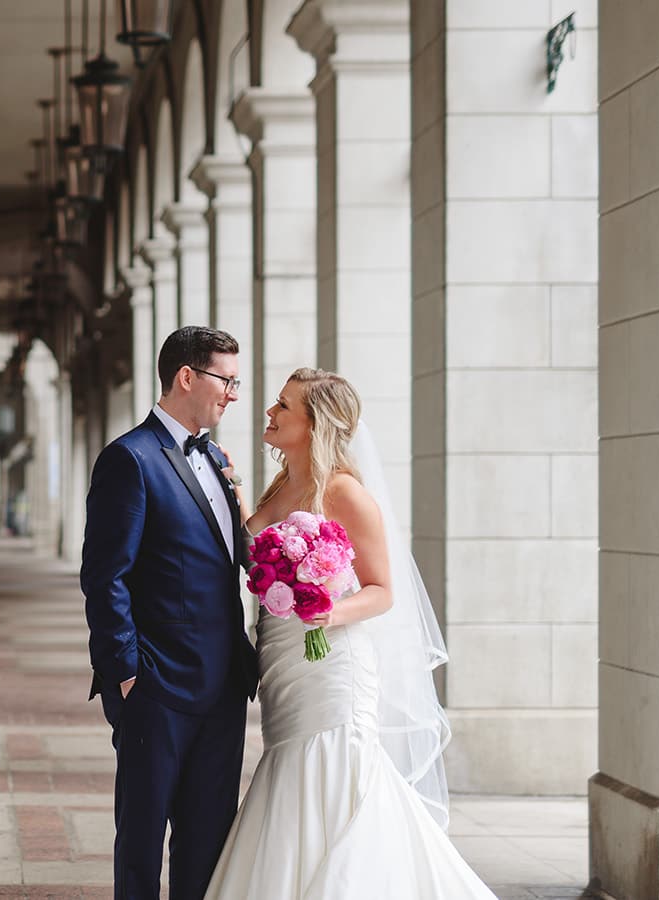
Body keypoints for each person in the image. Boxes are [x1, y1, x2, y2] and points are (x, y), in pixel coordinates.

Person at [204, 367, 495, 899]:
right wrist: (234, 493)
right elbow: (255, 548)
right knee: (290, 764)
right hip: (281, 660)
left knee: (334, 768)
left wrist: (329, 613)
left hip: (329, 662)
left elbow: (383, 589)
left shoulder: (344, 493)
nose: (269, 412)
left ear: (315, 425)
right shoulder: (284, 482)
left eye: (283, 407)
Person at [81, 326, 259, 900]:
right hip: (156, 689)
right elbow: (105, 576)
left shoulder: (217, 458)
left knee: (207, 845)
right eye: (226, 380)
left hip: (223, 686)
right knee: (140, 844)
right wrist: (128, 672)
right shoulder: (129, 459)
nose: (234, 393)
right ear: (187, 377)